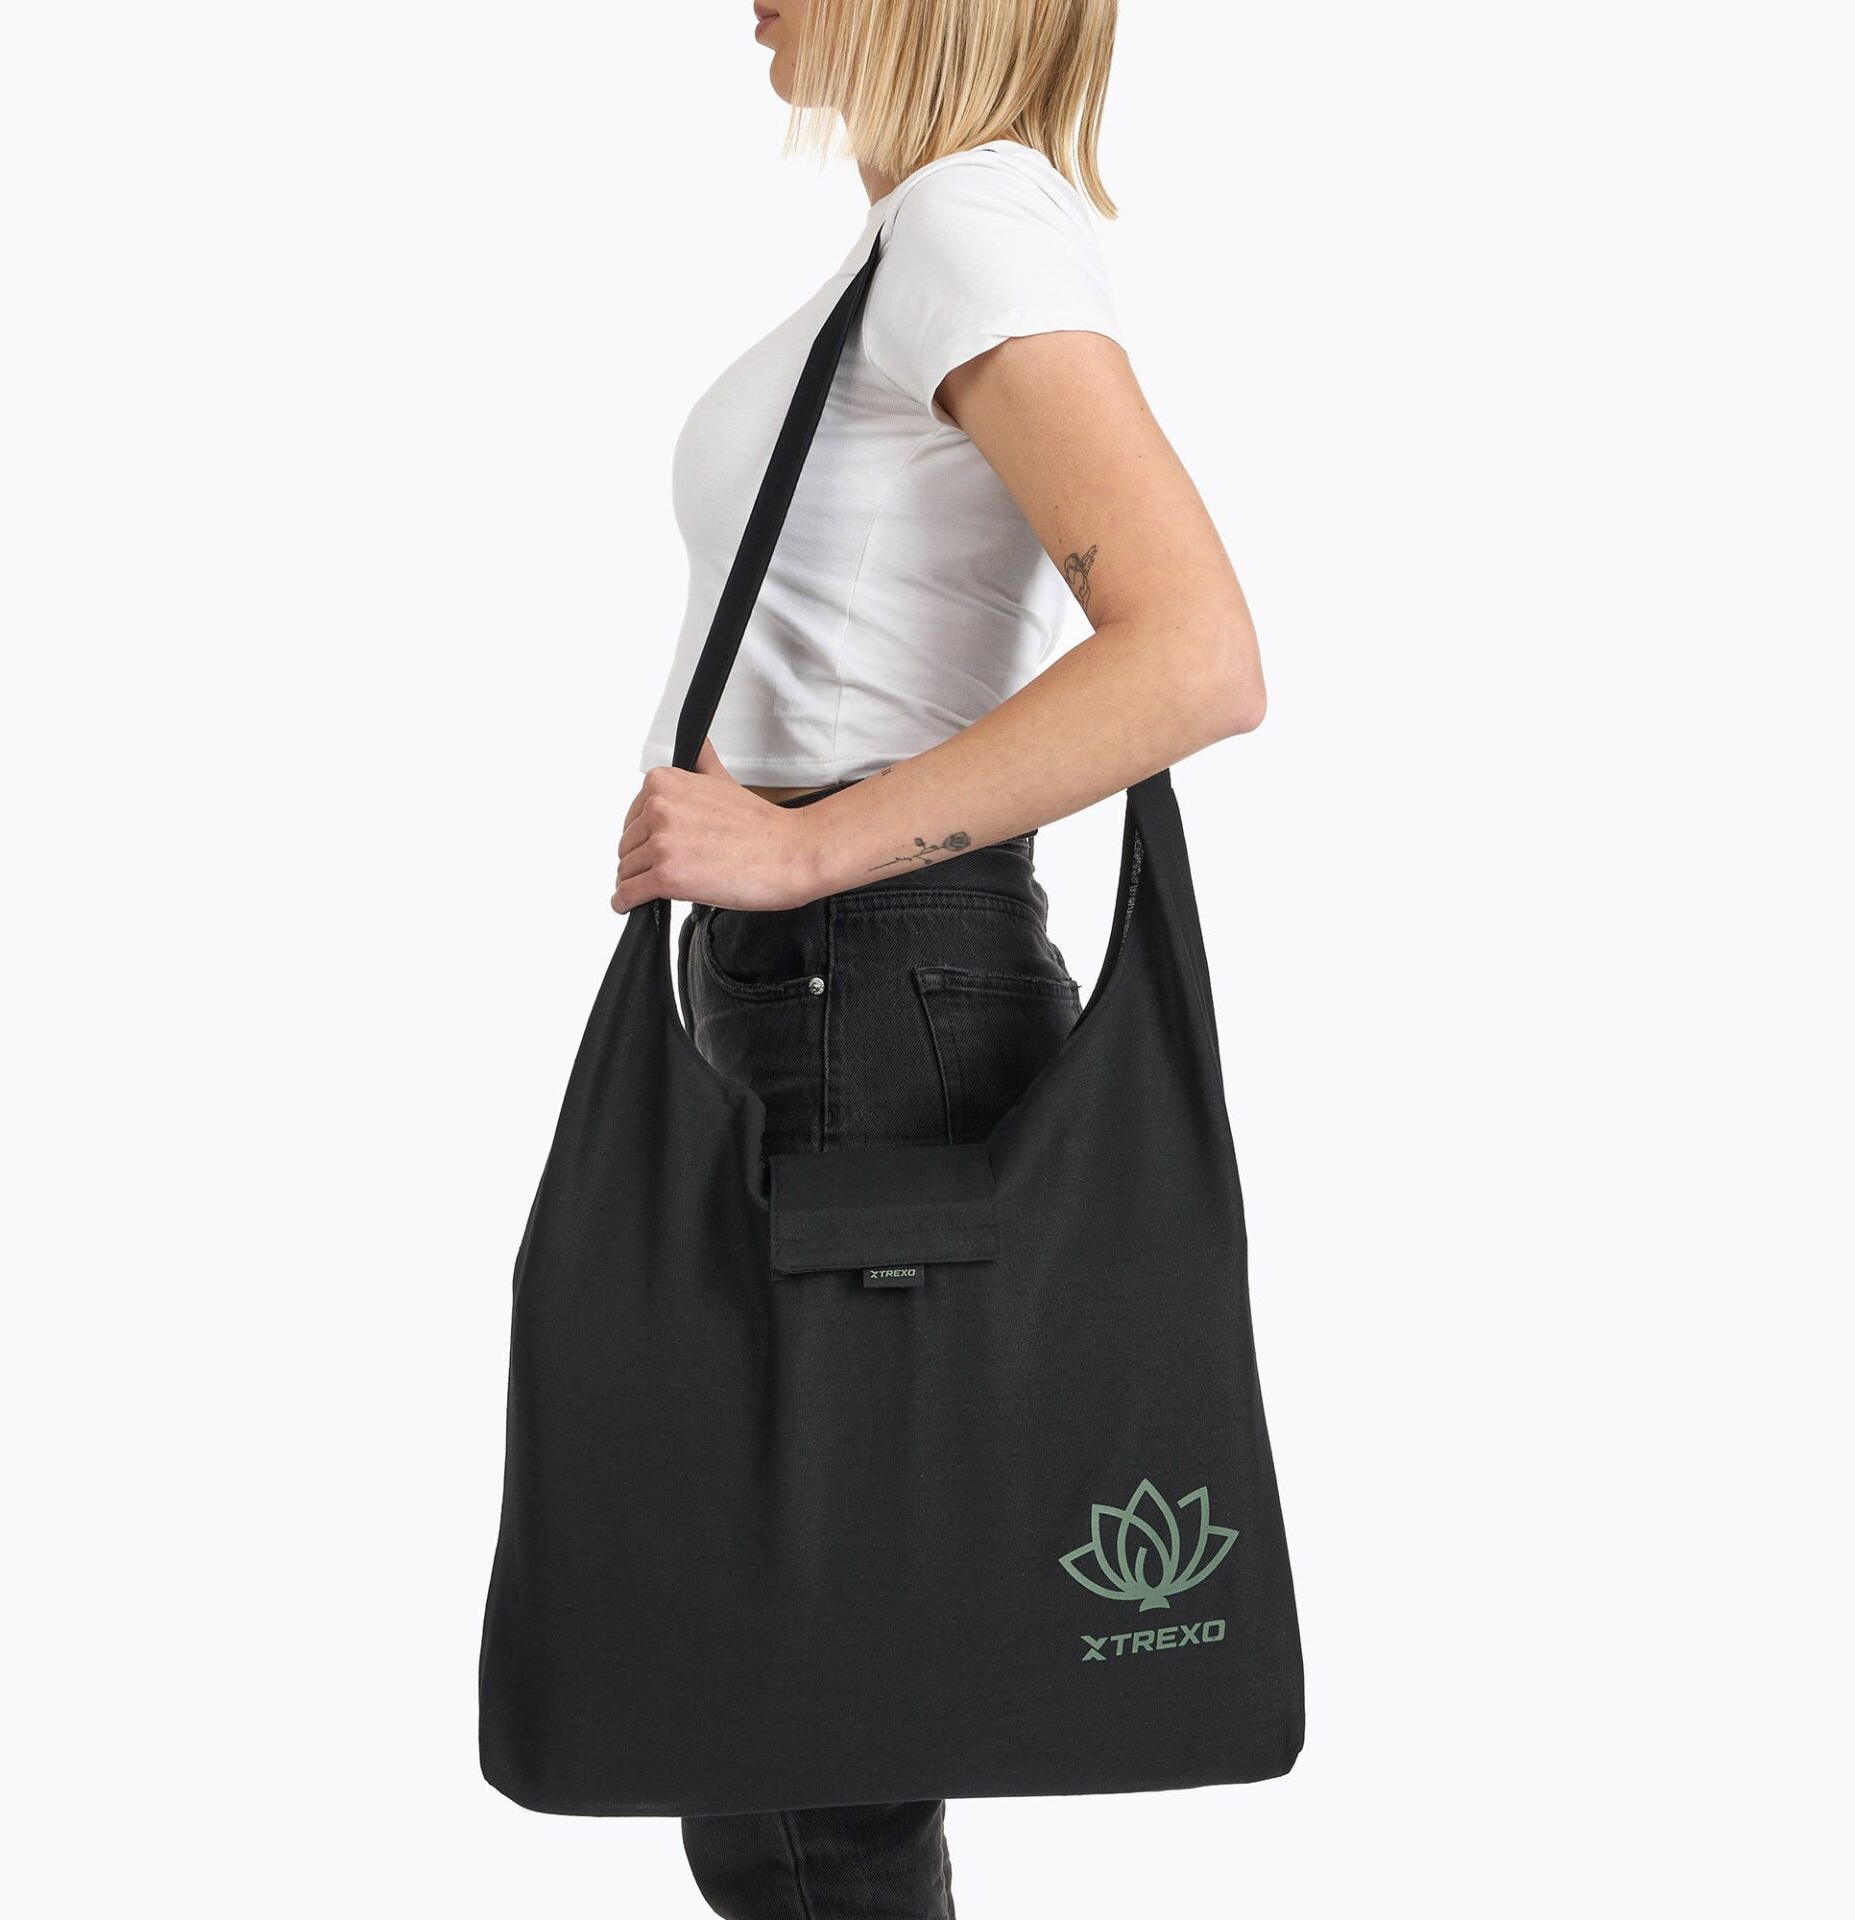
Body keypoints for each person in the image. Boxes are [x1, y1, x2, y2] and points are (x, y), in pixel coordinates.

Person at [614, 4, 1265, 1913]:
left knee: (802, 1734)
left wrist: (808, 845)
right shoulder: (927, 239)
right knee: (799, 1706)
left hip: (863, 989)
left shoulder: (973, 223)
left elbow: (1195, 655)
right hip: (844, 994)